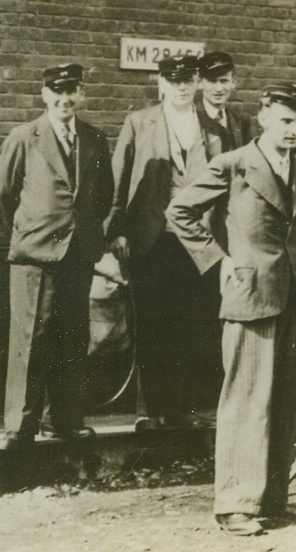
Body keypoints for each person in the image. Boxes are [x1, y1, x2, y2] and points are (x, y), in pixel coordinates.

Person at [166, 83, 296, 537]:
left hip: (290, 293)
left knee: (283, 402)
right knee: (247, 401)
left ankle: (271, 499)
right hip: (250, 293)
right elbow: (180, 212)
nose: (293, 130)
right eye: (286, 121)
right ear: (265, 116)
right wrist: (218, 260)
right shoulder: (233, 165)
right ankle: (235, 503)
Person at [0, 63, 114, 451]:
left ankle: (65, 420)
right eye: (57, 91)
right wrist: (29, 233)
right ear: (44, 94)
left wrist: (87, 238)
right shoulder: (24, 137)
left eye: (72, 90)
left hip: (77, 255)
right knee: (31, 339)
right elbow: (0, 197)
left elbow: (103, 195)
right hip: (35, 256)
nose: (65, 98)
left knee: (72, 337)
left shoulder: (94, 139)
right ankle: (20, 428)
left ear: (81, 95)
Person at [106, 54, 219, 429]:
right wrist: (117, 229)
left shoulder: (211, 126)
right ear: (162, 84)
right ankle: (148, 410)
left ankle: (181, 409)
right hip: (152, 237)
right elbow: (119, 182)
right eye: (175, 81)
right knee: (153, 323)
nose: (183, 87)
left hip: (196, 238)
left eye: (189, 80)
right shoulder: (140, 123)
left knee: (190, 324)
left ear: (198, 83)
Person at [196, 51, 253, 154]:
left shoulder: (241, 120)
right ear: (200, 83)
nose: (218, 89)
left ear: (233, 82)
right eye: (212, 81)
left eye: (224, 81)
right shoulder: (192, 117)